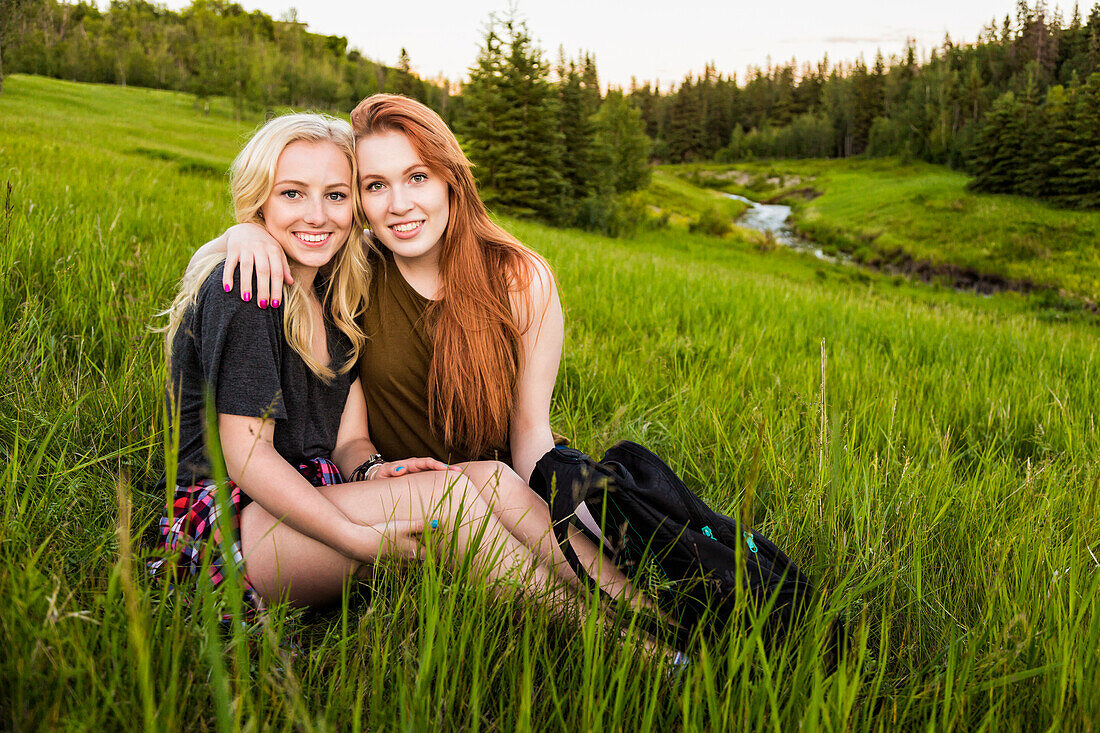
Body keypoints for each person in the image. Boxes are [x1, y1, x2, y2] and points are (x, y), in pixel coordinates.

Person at [189, 95, 645, 606]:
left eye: (336, 195)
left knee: (491, 478)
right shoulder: (264, 284)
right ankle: (635, 653)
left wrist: (370, 470)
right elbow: (248, 457)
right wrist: (244, 231)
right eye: (375, 186)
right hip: (229, 525)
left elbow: (348, 435)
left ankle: (649, 612)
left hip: (319, 494)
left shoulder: (337, 286)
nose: (318, 214)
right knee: (449, 506)